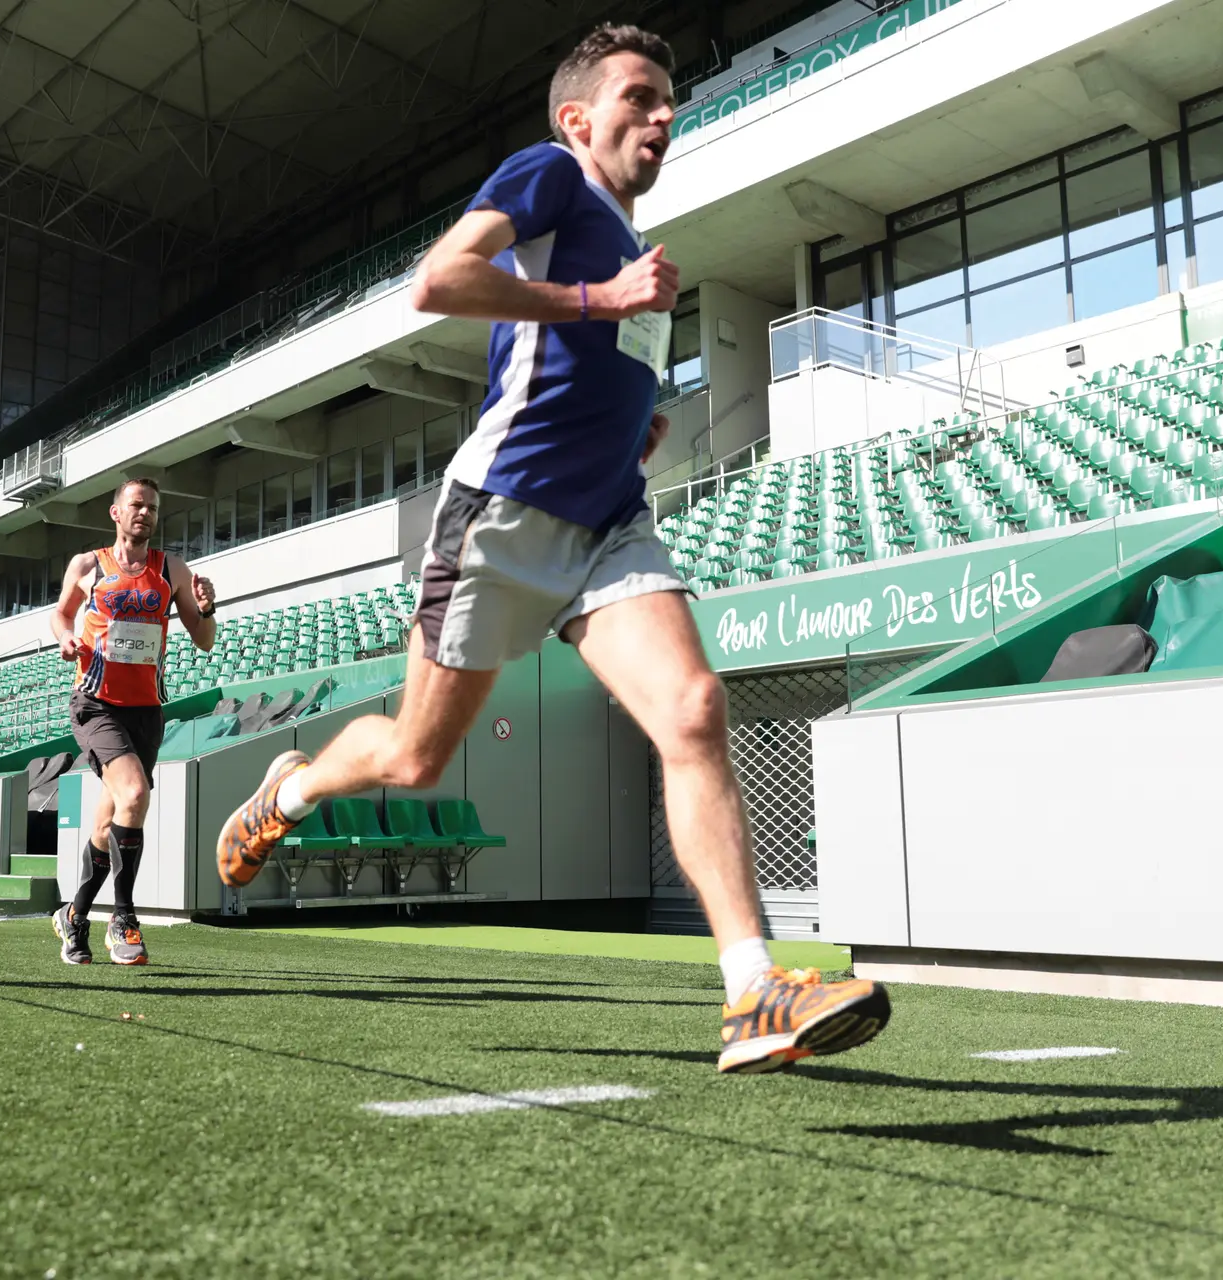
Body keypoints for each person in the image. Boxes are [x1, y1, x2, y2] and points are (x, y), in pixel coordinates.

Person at [215, 25, 889, 1072]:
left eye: (670, 98)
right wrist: (597, 299)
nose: (664, 113)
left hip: (610, 520)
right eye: (640, 96)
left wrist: (638, 422)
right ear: (578, 118)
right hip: (501, 513)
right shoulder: (550, 176)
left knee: (694, 708)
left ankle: (753, 988)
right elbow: (439, 280)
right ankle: (290, 791)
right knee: (414, 758)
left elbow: (592, 369)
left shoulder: (638, 251)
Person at [46, 478, 217, 965]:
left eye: (152, 508)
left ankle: (74, 916)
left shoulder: (171, 569)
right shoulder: (88, 565)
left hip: (146, 710)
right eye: (136, 505)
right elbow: (60, 615)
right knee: (136, 794)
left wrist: (208, 609)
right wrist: (64, 638)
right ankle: (123, 919)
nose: (144, 513)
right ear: (116, 513)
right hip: (96, 702)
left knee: (109, 821)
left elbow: (204, 638)